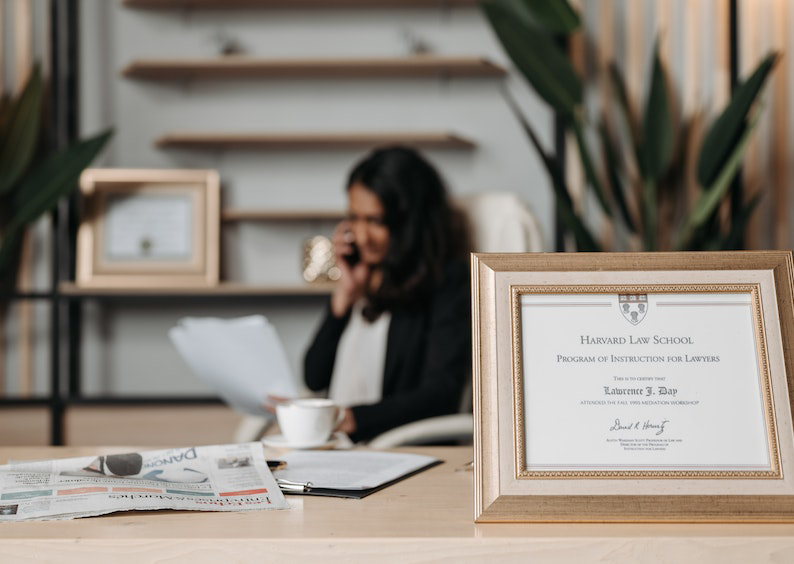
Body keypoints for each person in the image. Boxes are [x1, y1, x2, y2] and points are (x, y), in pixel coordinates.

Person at [303, 146, 472, 443]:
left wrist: (353, 419)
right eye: (354, 218)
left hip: (394, 451)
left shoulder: (448, 283)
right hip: (337, 448)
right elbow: (313, 377)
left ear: (409, 222)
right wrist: (345, 295)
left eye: (376, 221)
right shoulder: (363, 276)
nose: (362, 235)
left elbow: (441, 394)